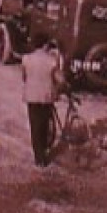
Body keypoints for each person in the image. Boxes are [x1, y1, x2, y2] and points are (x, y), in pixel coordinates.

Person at [21, 39, 64, 167]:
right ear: (45, 45)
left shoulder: (26, 59)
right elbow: (59, 79)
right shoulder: (51, 61)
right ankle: (44, 151)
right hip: (46, 97)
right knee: (45, 125)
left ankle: (39, 158)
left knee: (35, 127)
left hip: (31, 97)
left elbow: (24, 77)